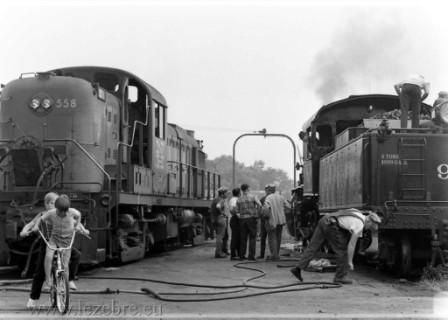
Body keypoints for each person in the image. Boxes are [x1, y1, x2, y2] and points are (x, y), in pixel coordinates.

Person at [290, 208, 382, 285]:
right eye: (370, 226)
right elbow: (352, 244)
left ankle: (297, 268)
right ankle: (340, 277)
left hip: (325, 219)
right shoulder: (359, 224)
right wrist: (350, 262)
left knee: (313, 246)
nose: (369, 228)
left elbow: (341, 212)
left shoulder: (356, 212)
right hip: (332, 226)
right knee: (342, 250)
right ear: (369, 220)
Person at [32, 195, 86, 290]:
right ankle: (48, 281)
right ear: (56, 208)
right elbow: (40, 219)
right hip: (54, 239)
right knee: (48, 256)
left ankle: (67, 282)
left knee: (65, 264)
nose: (64, 214)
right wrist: (36, 226)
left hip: (67, 240)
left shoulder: (72, 211)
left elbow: (79, 215)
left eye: (66, 211)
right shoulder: (51, 213)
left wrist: (77, 226)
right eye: (61, 212)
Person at [263, 184, 291, 261]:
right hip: (281, 221)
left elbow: (267, 208)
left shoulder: (268, 198)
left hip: (272, 220)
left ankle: (274, 255)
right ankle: (276, 254)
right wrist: (283, 213)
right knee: (278, 237)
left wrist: (266, 217)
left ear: (268, 190)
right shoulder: (281, 197)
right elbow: (289, 207)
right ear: (274, 190)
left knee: (272, 238)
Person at [237, 183, 262, 261]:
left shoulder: (239, 198)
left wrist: (241, 216)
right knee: (252, 237)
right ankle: (251, 255)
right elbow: (260, 205)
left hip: (242, 220)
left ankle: (242, 255)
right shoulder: (253, 196)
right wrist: (258, 215)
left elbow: (237, 211)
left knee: (243, 238)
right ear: (247, 189)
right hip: (251, 219)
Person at [210, 187, 229, 258]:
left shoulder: (215, 199)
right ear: (222, 194)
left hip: (214, 219)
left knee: (219, 236)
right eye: (226, 193)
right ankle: (218, 252)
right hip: (220, 219)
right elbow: (218, 206)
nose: (227, 195)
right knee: (220, 236)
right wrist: (222, 213)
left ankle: (221, 251)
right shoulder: (221, 200)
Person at [256, 185, 270, 259]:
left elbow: (259, 210)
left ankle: (263, 254)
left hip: (265, 220)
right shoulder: (263, 199)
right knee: (267, 238)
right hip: (267, 221)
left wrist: (258, 216)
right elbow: (259, 209)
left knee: (265, 238)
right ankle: (272, 254)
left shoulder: (263, 199)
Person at [228, 188, 241, 260]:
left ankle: (238, 253)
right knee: (235, 238)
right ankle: (233, 254)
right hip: (235, 220)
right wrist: (237, 215)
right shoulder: (234, 200)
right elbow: (232, 209)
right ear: (238, 193)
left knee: (238, 237)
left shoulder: (235, 199)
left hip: (235, 219)